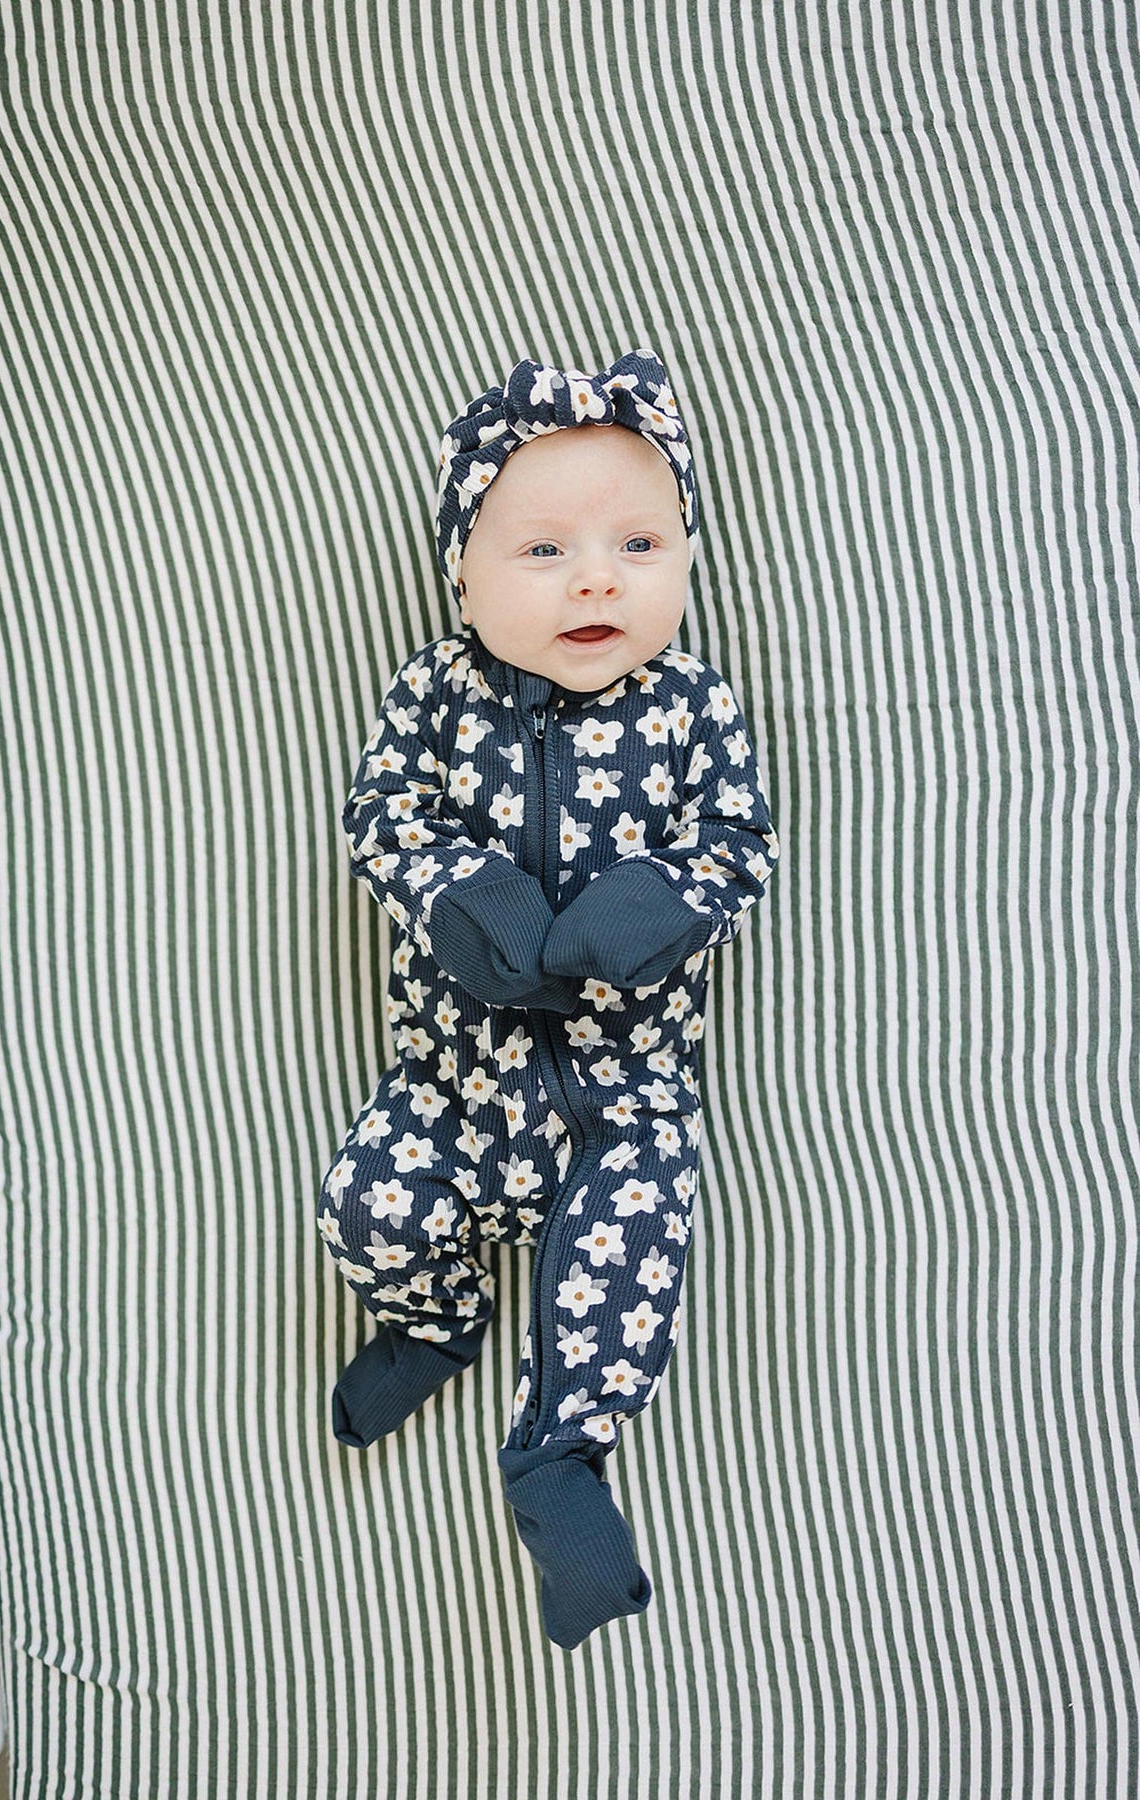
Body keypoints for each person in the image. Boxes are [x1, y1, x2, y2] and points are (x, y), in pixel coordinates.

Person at [317, 348, 780, 1650]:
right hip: (456, 1085)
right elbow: (380, 816)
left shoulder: (691, 702)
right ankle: (441, 1316)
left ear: (687, 561)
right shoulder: (434, 691)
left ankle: (559, 1456)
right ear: (460, 575)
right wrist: (468, 894)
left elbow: (735, 843)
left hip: (627, 1098)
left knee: (634, 1255)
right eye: (543, 551)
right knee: (365, 1199)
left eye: (640, 541)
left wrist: (642, 916)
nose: (596, 576)